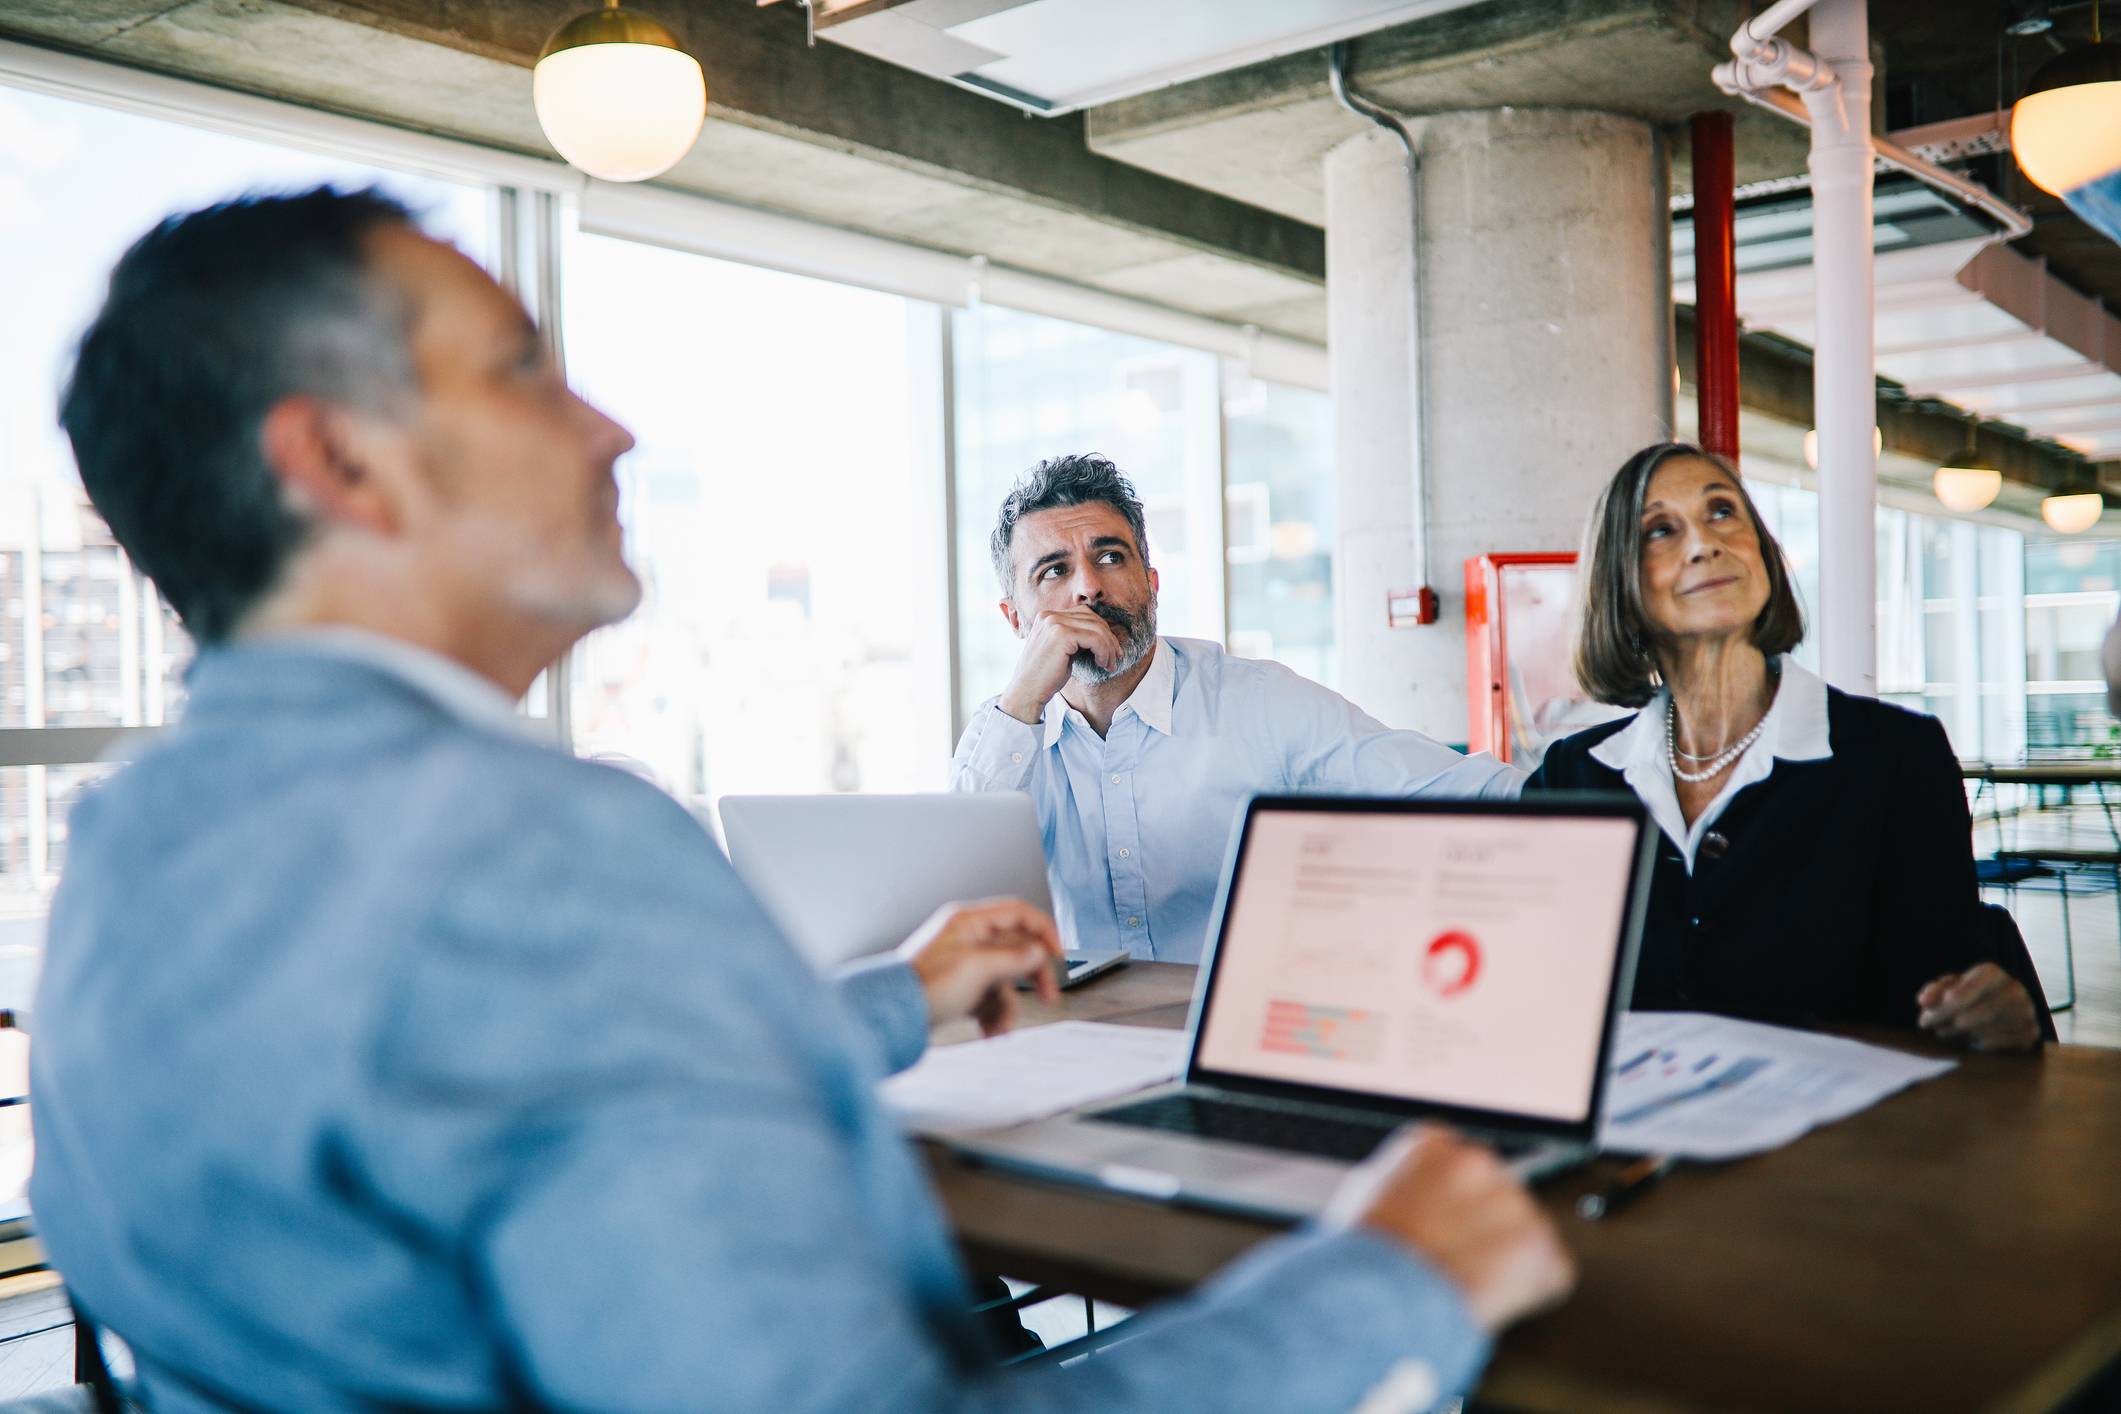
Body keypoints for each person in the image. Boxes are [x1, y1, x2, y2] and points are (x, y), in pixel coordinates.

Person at [31, 188, 1573, 1411]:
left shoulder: (126, 845)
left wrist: (891, 999)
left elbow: (535, 1082)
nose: (610, 427)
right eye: (522, 369)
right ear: (342, 462)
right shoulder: (547, 852)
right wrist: (1391, 1280)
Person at [1527, 442, 2040, 1050]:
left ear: (1761, 552)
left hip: (1843, 1134)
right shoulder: (1572, 776)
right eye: (1660, 530)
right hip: (1636, 1136)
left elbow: (1944, 995)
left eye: (1722, 512)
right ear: (1620, 584)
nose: (1703, 544)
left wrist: (1991, 1014)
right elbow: (1539, 987)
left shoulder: (1897, 756)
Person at [952, 454, 1521, 963]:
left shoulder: (1261, 703)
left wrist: (1585, 783)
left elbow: (1449, 790)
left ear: (1151, 584)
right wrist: (1023, 699)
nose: (1088, 589)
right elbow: (953, 899)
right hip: (1070, 1046)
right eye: (1054, 570)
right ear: (1015, 618)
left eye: (1109, 557)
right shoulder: (1005, 732)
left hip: (1243, 1038)